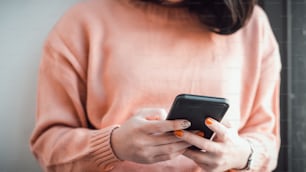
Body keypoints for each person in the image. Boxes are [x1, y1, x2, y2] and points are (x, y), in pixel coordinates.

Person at [30, 0, 281, 171]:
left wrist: (241, 156)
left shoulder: (254, 27)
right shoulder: (82, 21)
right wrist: (113, 146)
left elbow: (266, 138)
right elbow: (48, 146)